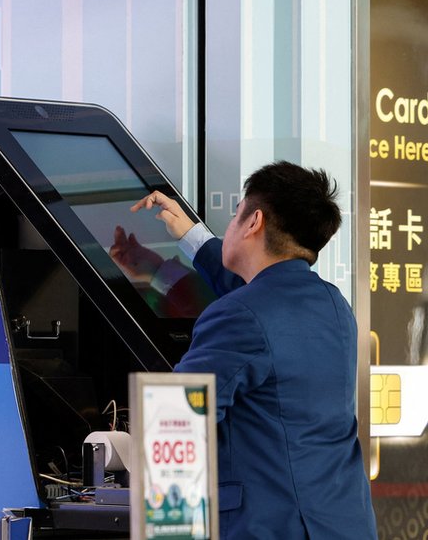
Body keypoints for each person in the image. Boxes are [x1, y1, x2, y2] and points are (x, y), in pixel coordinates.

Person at [126, 161, 376, 539]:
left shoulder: (239, 315)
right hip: (342, 525)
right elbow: (263, 298)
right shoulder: (333, 304)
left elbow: (173, 426)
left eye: (235, 215)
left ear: (254, 221)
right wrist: (190, 237)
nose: (231, 224)